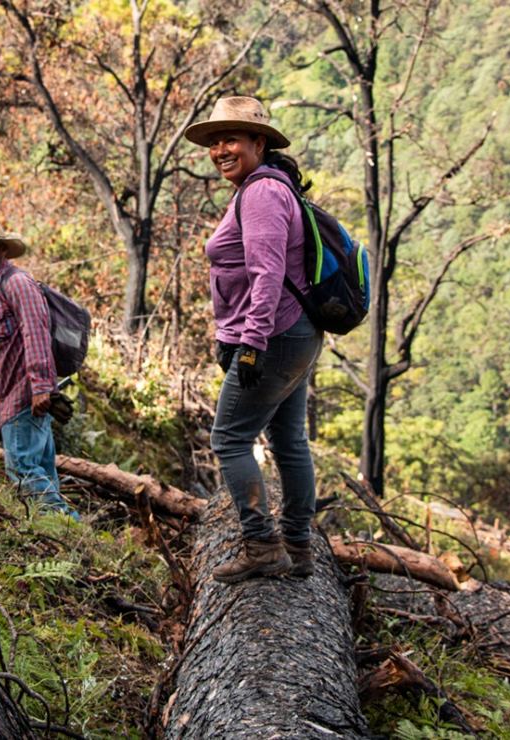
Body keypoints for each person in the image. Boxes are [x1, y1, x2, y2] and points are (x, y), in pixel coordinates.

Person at [183, 96, 324, 582]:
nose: (220, 149)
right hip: (296, 334)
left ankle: (263, 546)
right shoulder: (270, 186)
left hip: (274, 336)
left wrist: (251, 342)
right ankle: (299, 548)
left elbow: (268, 273)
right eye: (214, 141)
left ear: (258, 142)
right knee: (289, 440)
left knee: (229, 438)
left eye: (232, 139)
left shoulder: (261, 193)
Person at [0, 218, 80, 521]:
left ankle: (73, 531)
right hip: (16, 398)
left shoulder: (17, 283)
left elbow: (36, 332)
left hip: (27, 398)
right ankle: (64, 539)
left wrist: (42, 387)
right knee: (39, 473)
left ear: (2, 249)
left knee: (24, 473)